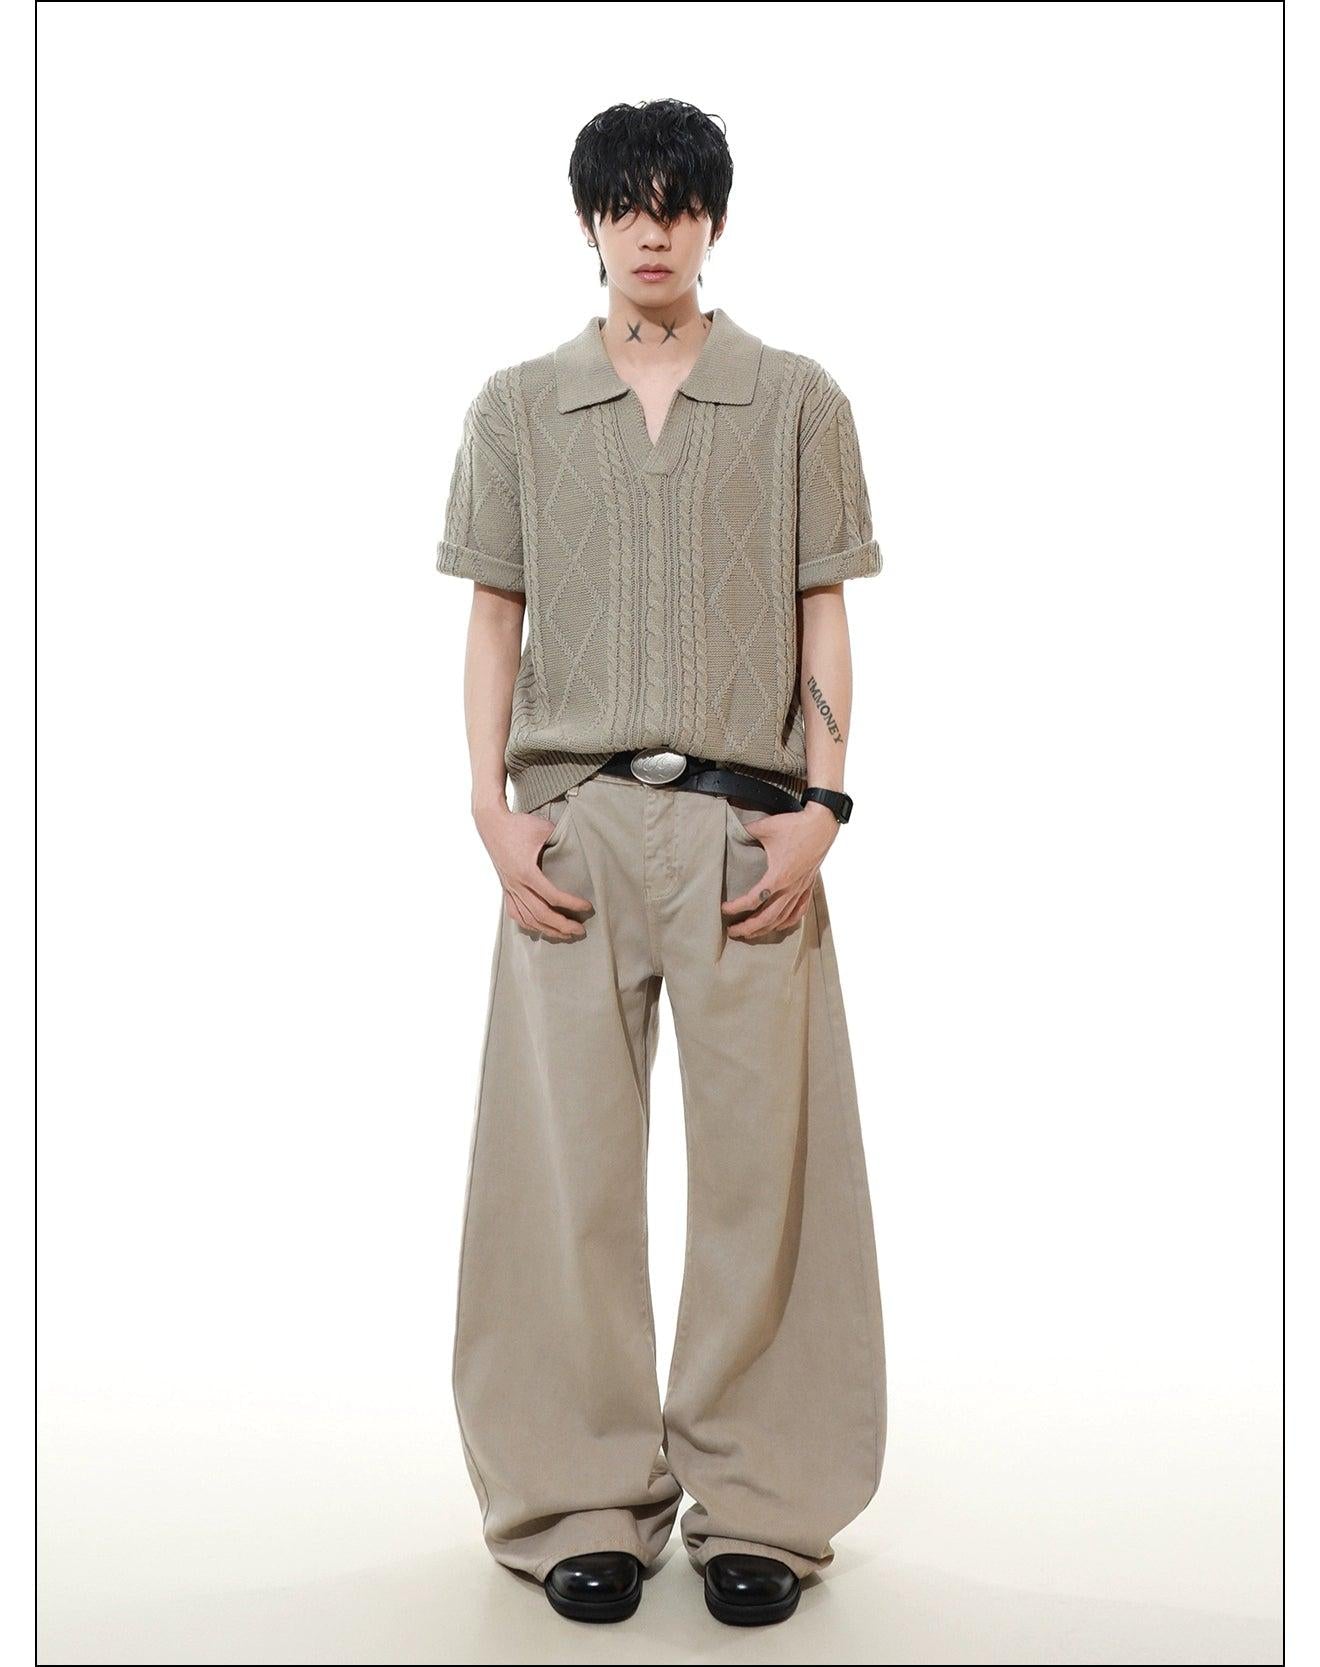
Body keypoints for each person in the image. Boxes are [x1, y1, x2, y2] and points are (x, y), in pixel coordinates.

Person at [434, 98, 887, 1628]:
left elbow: (826, 608)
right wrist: (489, 809)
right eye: (625, 202)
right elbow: (492, 617)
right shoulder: (518, 408)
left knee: (766, 1172)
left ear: (714, 220)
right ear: (588, 222)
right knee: (562, 1174)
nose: (652, 228)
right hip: (572, 826)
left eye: (678, 202)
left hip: (749, 826)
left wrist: (828, 804)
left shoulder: (797, 400)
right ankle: (577, 1498)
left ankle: (763, 1502)